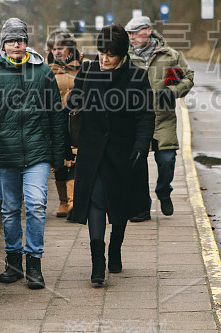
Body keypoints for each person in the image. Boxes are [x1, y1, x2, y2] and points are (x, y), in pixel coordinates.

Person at [0, 18, 65, 290]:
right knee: (10, 210)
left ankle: (34, 262)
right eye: (12, 40)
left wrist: (58, 155)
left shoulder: (43, 73)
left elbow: (56, 117)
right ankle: (13, 260)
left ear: (27, 43)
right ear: (3, 44)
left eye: (21, 40)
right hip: (5, 156)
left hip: (37, 153)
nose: (17, 45)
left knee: (36, 205)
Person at [65, 24, 155, 284]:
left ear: (122, 54)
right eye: (101, 52)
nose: (104, 58)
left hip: (123, 152)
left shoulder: (137, 77)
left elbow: (145, 116)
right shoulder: (88, 70)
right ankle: (97, 260)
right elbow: (73, 104)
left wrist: (141, 146)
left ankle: (115, 247)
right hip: (92, 151)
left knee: (120, 208)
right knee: (95, 203)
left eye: (110, 54)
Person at [125, 15, 194, 221]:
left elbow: (188, 77)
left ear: (147, 31)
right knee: (137, 165)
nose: (131, 37)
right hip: (136, 119)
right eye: (128, 34)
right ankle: (143, 207)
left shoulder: (170, 55)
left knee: (167, 160)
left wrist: (172, 91)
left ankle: (164, 191)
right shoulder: (125, 57)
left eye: (134, 33)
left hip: (163, 118)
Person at [45, 29, 85, 218]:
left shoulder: (84, 66)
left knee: (75, 160)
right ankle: (62, 201)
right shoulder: (45, 69)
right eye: (53, 49)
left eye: (60, 48)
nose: (57, 52)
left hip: (78, 120)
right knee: (59, 161)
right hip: (56, 120)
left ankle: (72, 202)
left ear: (70, 48)